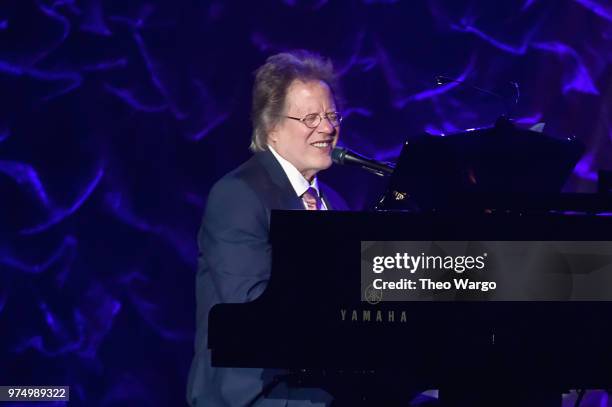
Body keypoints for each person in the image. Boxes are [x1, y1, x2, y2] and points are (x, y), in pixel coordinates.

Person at [186, 50, 348, 407]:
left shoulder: (334, 201)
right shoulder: (238, 194)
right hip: (256, 396)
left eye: (331, 115)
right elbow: (249, 309)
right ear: (271, 127)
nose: (327, 127)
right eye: (310, 118)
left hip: (322, 388)